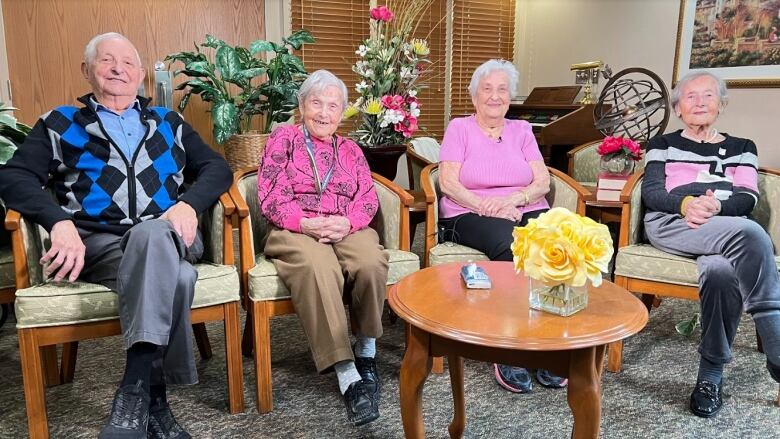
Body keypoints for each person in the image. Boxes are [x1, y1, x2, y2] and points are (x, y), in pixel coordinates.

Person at [0, 33, 232, 438]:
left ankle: (133, 386)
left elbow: (217, 169)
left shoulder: (169, 123)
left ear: (141, 75)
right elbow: (14, 176)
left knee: (153, 235)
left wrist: (188, 204)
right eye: (106, 60)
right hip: (100, 244)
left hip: (170, 234)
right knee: (177, 278)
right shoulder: (60, 124)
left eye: (127, 62)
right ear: (87, 71)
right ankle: (156, 401)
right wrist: (58, 221)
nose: (118, 69)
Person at [642, 70, 780, 418]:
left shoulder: (742, 147)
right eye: (690, 96)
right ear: (678, 108)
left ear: (721, 104)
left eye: (708, 95)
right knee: (750, 234)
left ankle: (710, 375)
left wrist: (717, 206)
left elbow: (746, 197)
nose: (699, 102)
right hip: (672, 222)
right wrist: (687, 204)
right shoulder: (662, 145)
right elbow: (653, 193)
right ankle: (776, 340)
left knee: (720, 271)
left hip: (723, 224)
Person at [257, 69, 387, 426]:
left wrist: (348, 222)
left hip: (345, 223)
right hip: (294, 225)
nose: (324, 112)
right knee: (319, 266)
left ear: (343, 111)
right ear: (302, 105)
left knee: (370, 260)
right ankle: (346, 371)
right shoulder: (283, 139)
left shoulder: (351, 149)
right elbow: (269, 192)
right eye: (316, 102)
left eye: (333, 105)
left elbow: (367, 197)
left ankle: (366, 350)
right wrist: (304, 222)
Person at [437, 59, 567, 394]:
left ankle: (546, 341)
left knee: (557, 246)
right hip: (468, 212)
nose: (495, 96)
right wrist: (487, 205)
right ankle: (508, 344)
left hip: (522, 206)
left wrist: (516, 201)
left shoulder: (522, 131)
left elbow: (542, 181)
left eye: (502, 89)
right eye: (487, 89)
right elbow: (449, 183)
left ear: (510, 96)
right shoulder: (459, 128)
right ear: (474, 95)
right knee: (512, 245)